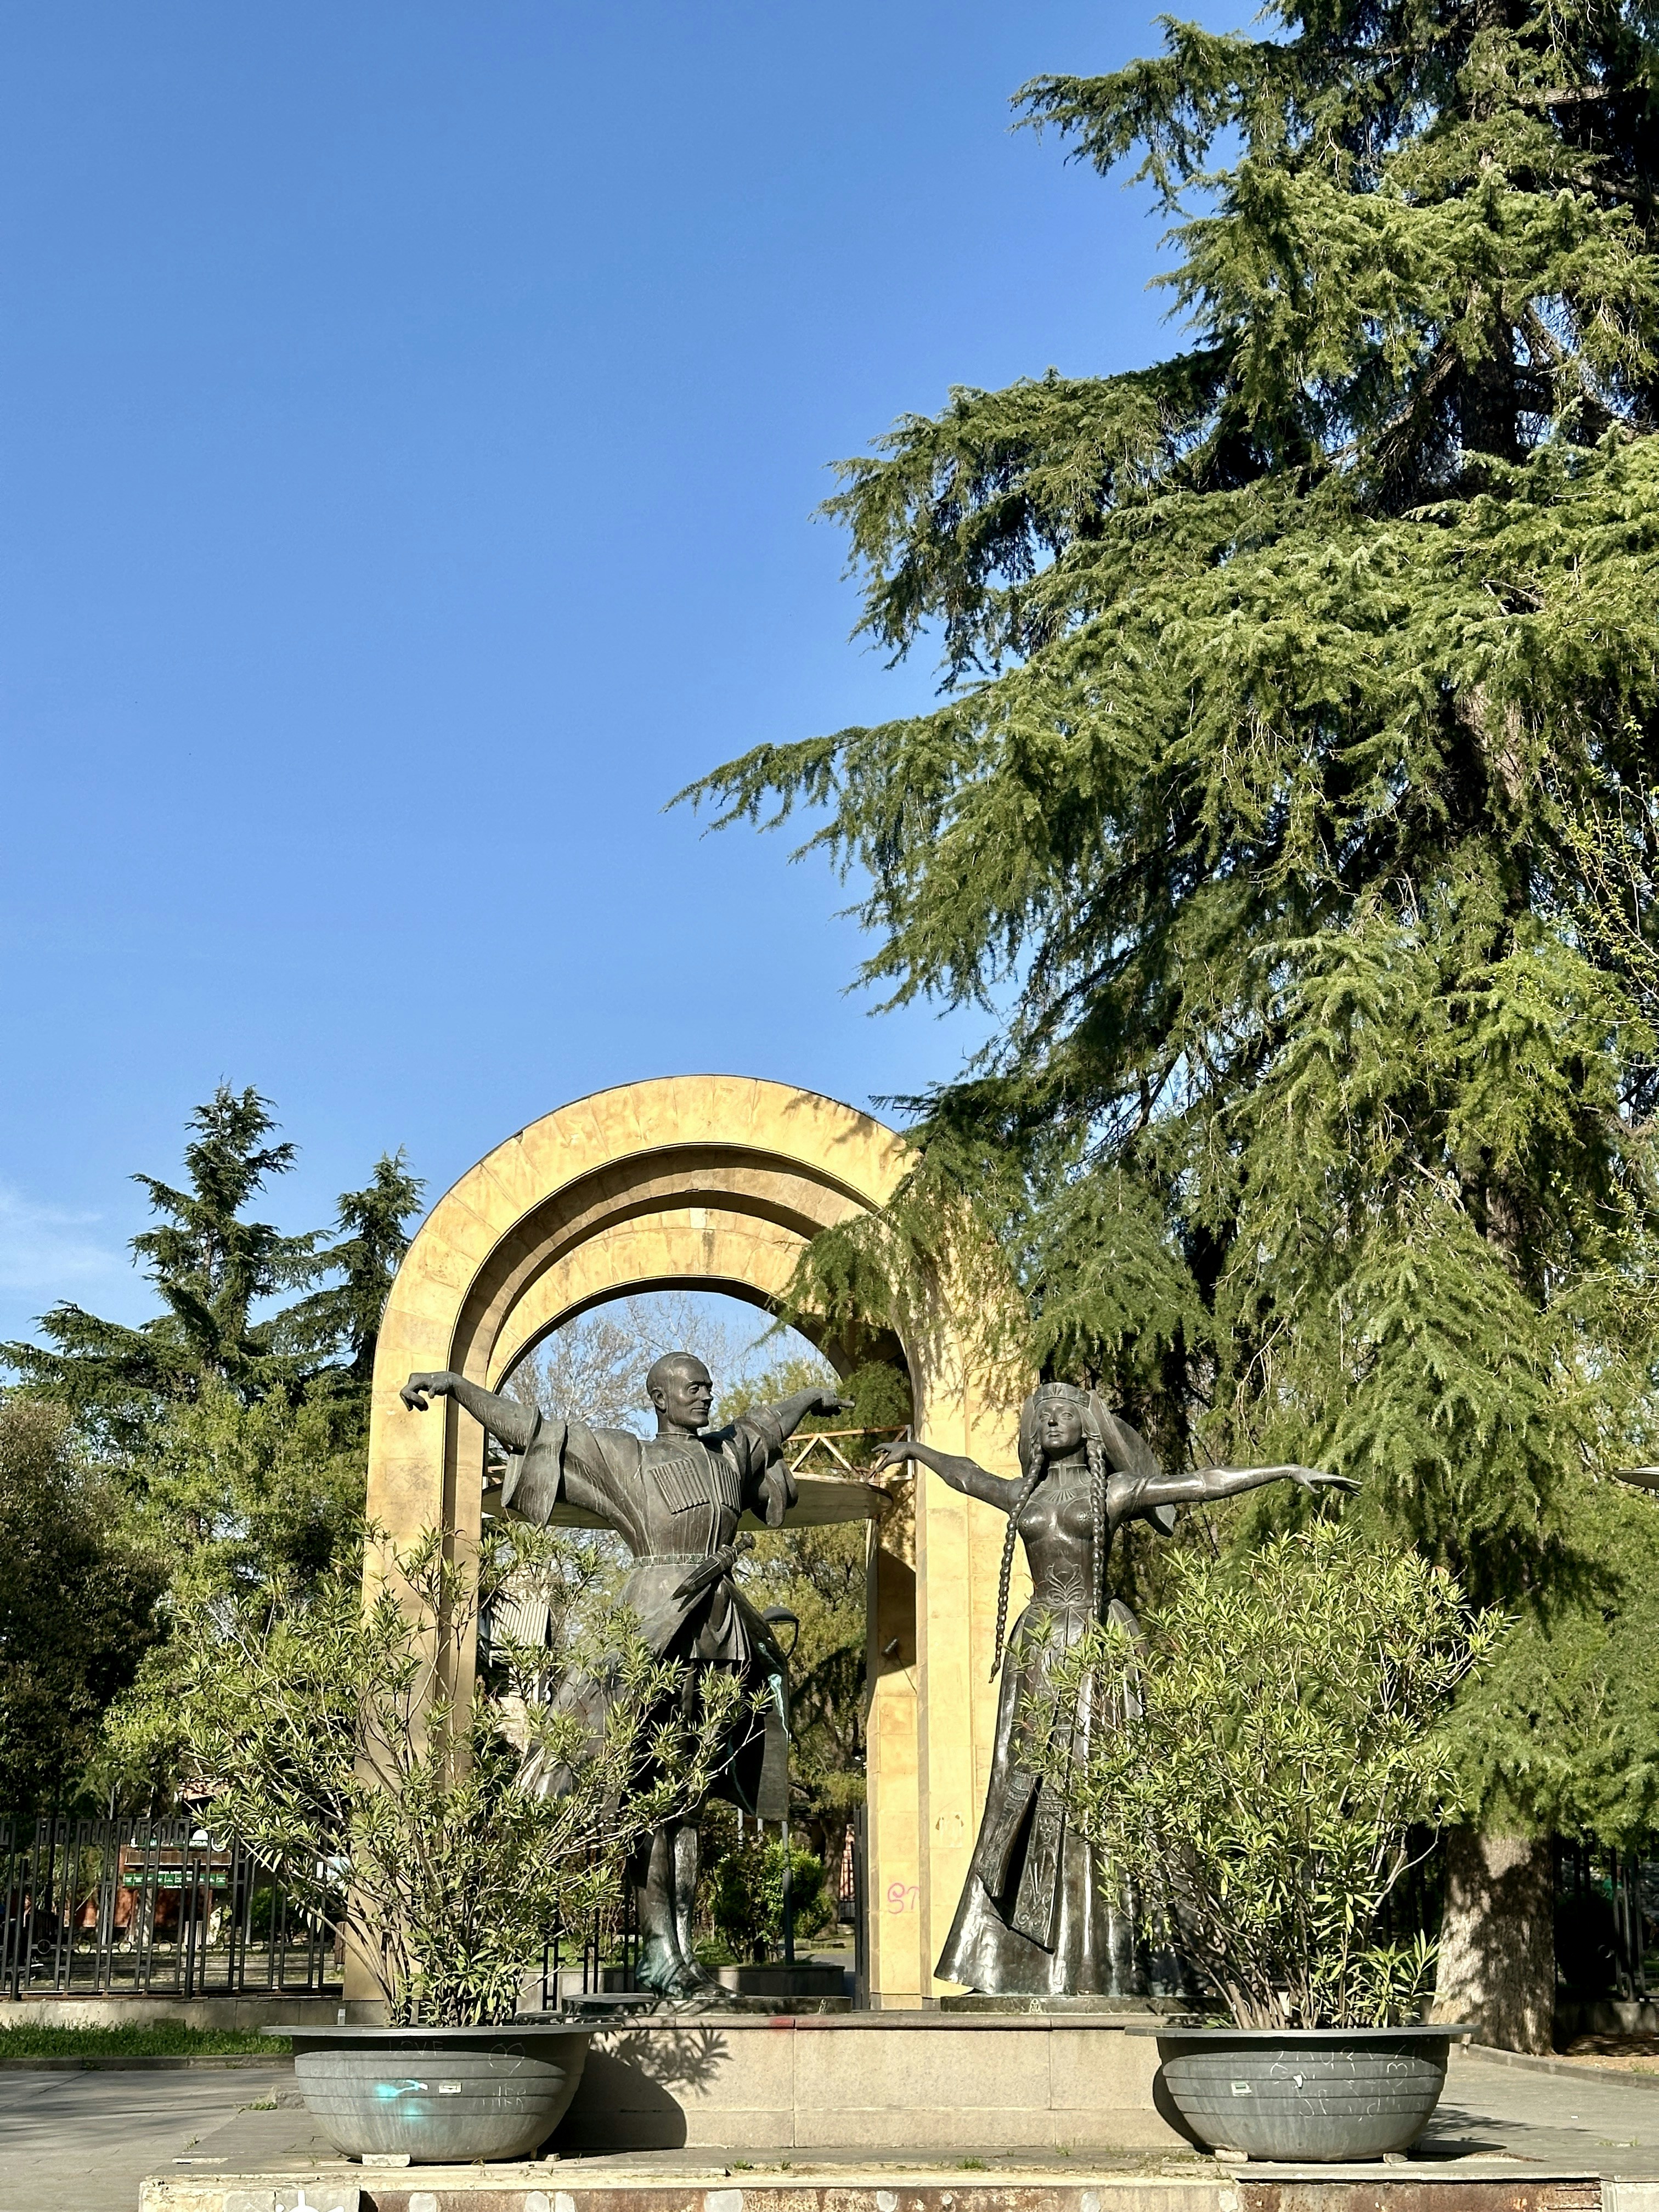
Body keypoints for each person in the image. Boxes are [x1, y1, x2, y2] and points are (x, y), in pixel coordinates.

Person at [872, 1384, 1356, 1998]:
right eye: (1040, 1413)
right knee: (1023, 1790)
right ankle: (1011, 1954)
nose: (1050, 1419)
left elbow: (1201, 1482)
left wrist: (1283, 1471)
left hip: (1098, 1648)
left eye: (1065, 1411)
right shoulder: (1024, 1492)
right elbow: (967, 1476)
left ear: (1089, 1426)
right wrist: (916, 1449)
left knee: (1099, 1790)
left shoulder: (1113, 1492)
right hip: (1039, 1648)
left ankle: (1106, 1958)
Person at [401, 1352, 846, 1999]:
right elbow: (533, 1429)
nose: (703, 1396)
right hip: (653, 1628)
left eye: (707, 1386)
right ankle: (660, 1955)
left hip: (721, 1633)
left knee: (690, 1803)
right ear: (658, 1398)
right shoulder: (627, 1458)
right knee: (649, 1799)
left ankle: (682, 1957)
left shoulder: (727, 1454)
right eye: (691, 1388)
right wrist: (456, 1387)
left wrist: (808, 1395)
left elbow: (767, 1424)